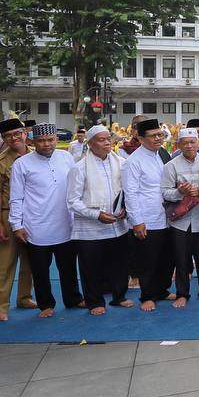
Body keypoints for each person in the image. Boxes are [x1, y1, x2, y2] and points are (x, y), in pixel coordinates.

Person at [9, 122, 83, 317]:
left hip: (66, 223)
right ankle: (46, 304)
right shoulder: (21, 164)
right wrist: (17, 225)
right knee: (40, 270)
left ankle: (73, 299)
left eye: (50, 140)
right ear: (33, 141)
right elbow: (16, 198)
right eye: (41, 141)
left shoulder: (67, 157)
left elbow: (77, 188)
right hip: (36, 226)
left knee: (68, 267)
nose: (47, 144)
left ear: (57, 140)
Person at [68, 124, 135, 314]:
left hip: (117, 224)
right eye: (101, 139)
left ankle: (119, 296)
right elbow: (72, 201)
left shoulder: (121, 163)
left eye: (108, 139)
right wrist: (96, 214)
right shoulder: (80, 168)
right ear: (90, 144)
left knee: (120, 264)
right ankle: (95, 302)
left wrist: (124, 208)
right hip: (90, 229)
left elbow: (127, 192)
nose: (107, 143)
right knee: (91, 268)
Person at [0, 118, 38, 320]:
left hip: (33, 214)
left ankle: (24, 297)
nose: (14, 138)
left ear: (25, 133)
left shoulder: (36, 155)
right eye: (8, 136)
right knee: (4, 262)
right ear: (3, 138)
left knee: (31, 260)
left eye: (17, 134)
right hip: (7, 215)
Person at [157, 126, 199, 306]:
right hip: (180, 222)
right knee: (181, 259)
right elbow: (165, 193)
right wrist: (180, 192)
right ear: (178, 145)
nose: (189, 146)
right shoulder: (171, 165)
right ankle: (182, 293)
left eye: (193, 142)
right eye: (185, 143)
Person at [122, 118, 172, 311]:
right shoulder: (133, 162)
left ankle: (162, 291)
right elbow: (130, 193)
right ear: (140, 138)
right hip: (147, 219)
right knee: (147, 261)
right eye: (153, 136)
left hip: (166, 217)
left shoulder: (161, 155)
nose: (158, 138)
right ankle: (147, 296)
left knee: (166, 259)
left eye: (160, 134)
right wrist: (137, 222)